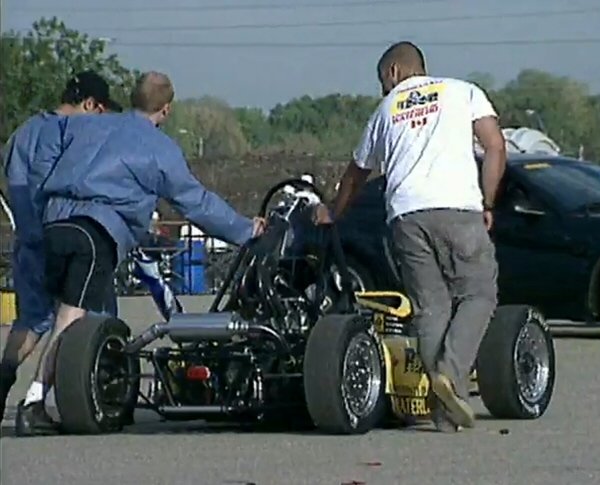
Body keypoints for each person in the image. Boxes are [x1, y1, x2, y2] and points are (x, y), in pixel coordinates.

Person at [15, 71, 265, 435]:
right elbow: (197, 204)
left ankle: (90, 389)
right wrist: (245, 229)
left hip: (53, 226)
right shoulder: (160, 149)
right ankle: (34, 403)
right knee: (69, 324)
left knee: (44, 318)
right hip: (95, 235)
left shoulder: (83, 126)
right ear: (165, 110)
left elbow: (40, 160)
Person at [313, 42, 506, 432]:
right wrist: (487, 202)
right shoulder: (463, 90)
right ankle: (450, 375)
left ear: (394, 73)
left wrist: (333, 212)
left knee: (430, 308)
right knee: (479, 293)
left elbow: (356, 173)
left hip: (405, 215)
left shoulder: (386, 110)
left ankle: (444, 414)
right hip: (457, 208)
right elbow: (495, 145)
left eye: (381, 80)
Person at [0, 71, 122, 422]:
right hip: (72, 236)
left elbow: (16, 187)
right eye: (100, 110)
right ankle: (43, 401)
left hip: (29, 241)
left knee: (32, 320)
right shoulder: (78, 135)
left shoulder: (23, 133)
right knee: (85, 319)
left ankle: (4, 377)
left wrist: (30, 233)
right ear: (88, 104)